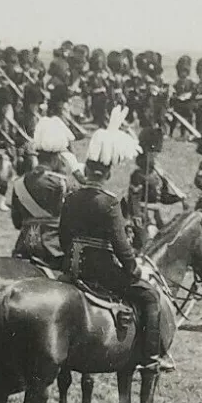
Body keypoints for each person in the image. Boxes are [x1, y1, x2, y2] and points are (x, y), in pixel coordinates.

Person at [59, 106, 175, 372]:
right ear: (108, 173)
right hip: (102, 271)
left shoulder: (71, 196)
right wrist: (134, 268)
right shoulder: (110, 203)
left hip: (72, 267)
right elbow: (123, 248)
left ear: (87, 168)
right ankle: (151, 357)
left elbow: (64, 236)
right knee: (149, 296)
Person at [11, 114, 79, 269]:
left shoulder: (18, 183)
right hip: (54, 248)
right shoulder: (63, 183)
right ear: (57, 157)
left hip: (26, 244)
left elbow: (16, 222)